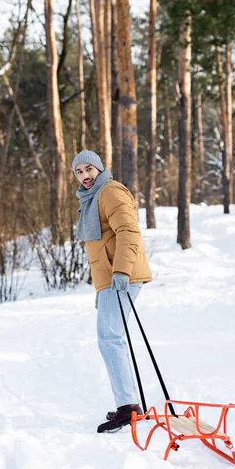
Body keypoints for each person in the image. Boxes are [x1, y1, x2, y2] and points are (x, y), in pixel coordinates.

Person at [72, 149, 152, 433]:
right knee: (112, 337)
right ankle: (129, 404)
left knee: (110, 337)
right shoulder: (92, 198)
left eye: (88, 169)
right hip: (113, 278)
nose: (84, 176)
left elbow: (128, 233)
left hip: (123, 275)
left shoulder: (110, 192)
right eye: (79, 172)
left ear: (99, 168)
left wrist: (121, 271)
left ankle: (128, 407)